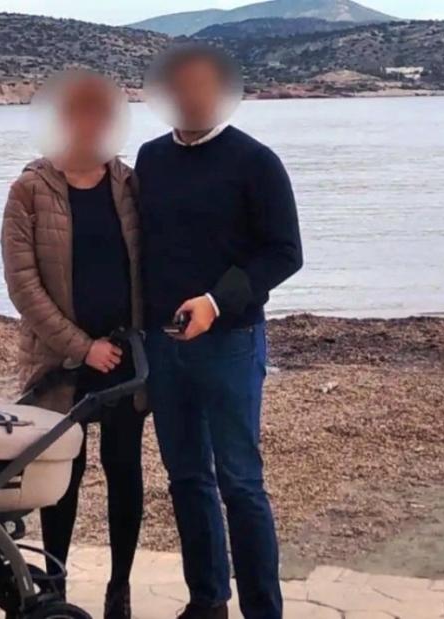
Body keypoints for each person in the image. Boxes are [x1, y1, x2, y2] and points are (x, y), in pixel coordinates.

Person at [136, 45, 304, 619]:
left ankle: (263, 610)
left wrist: (214, 302)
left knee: (240, 483)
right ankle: (207, 601)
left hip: (231, 343)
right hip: (164, 346)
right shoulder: (151, 159)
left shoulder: (256, 162)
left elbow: (284, 253)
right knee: (186, 478)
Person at [0, 71, 145, 619]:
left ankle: (120, 588)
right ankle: (55, 589)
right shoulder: (28, 191)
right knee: (63, 475)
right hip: (59, 362)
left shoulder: (129, 186)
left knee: (124, 471)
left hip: (125, 357)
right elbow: (23, 286)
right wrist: (83, 348)